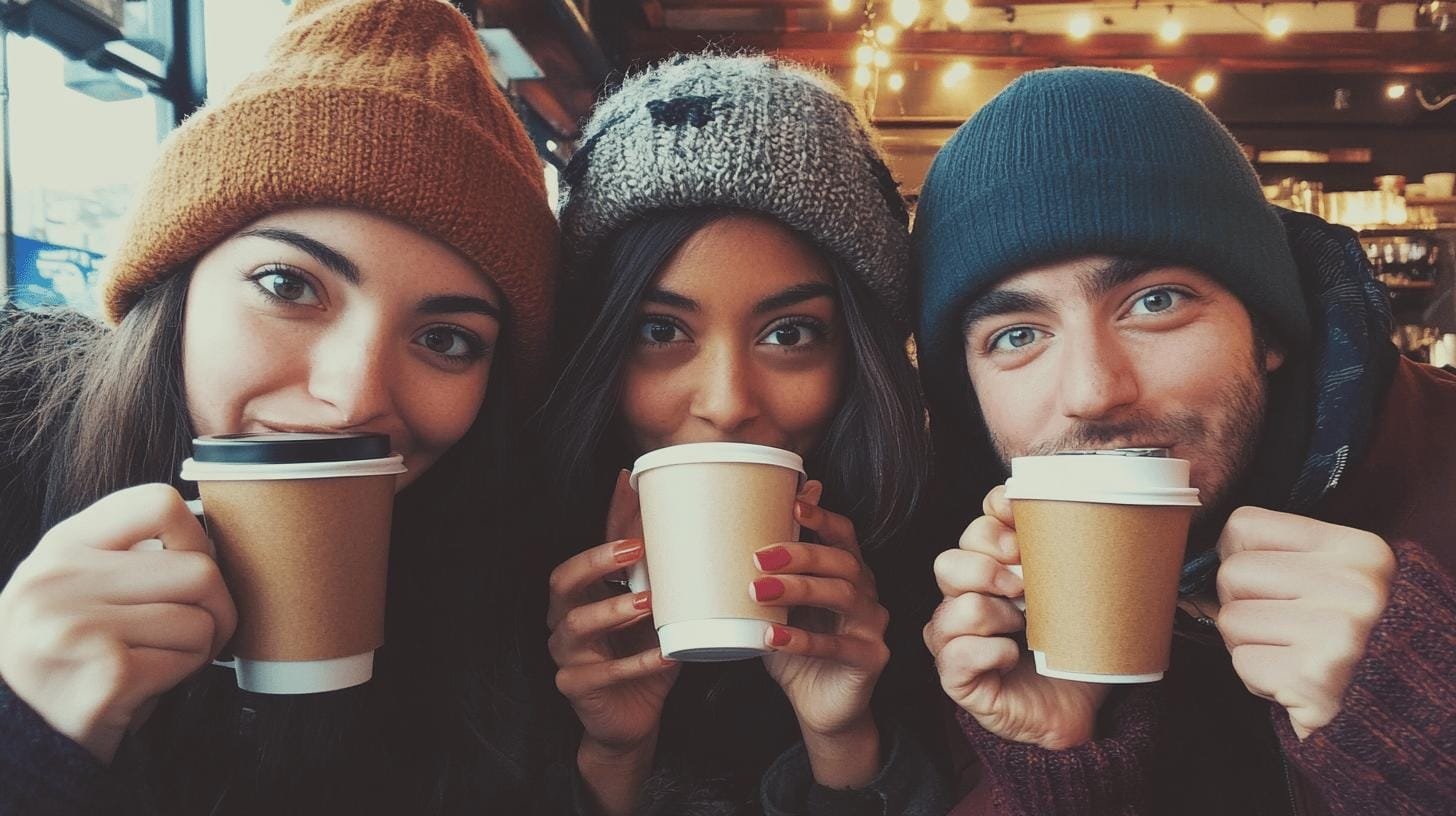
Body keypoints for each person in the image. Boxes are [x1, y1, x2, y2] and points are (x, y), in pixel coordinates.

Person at [0, 0, 559, 813]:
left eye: (446, 339)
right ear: (175, 286)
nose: (354, 397)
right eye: (288, 286)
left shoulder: (501, 592)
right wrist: (27, 734)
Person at [913, 66, 1456, 816]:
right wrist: (1053, 770)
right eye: (1017, 335)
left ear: (1267, 325)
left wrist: (1425, 726)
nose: (1094, 392)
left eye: (1154, 302)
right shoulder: (986, 590)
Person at [536, 54, 952, 816]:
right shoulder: (502, 571)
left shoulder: (950, 591)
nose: (727, 403)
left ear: (857, 353)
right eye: (659, 329)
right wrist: (612, 757)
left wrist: (845, 740)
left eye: (790, 333)